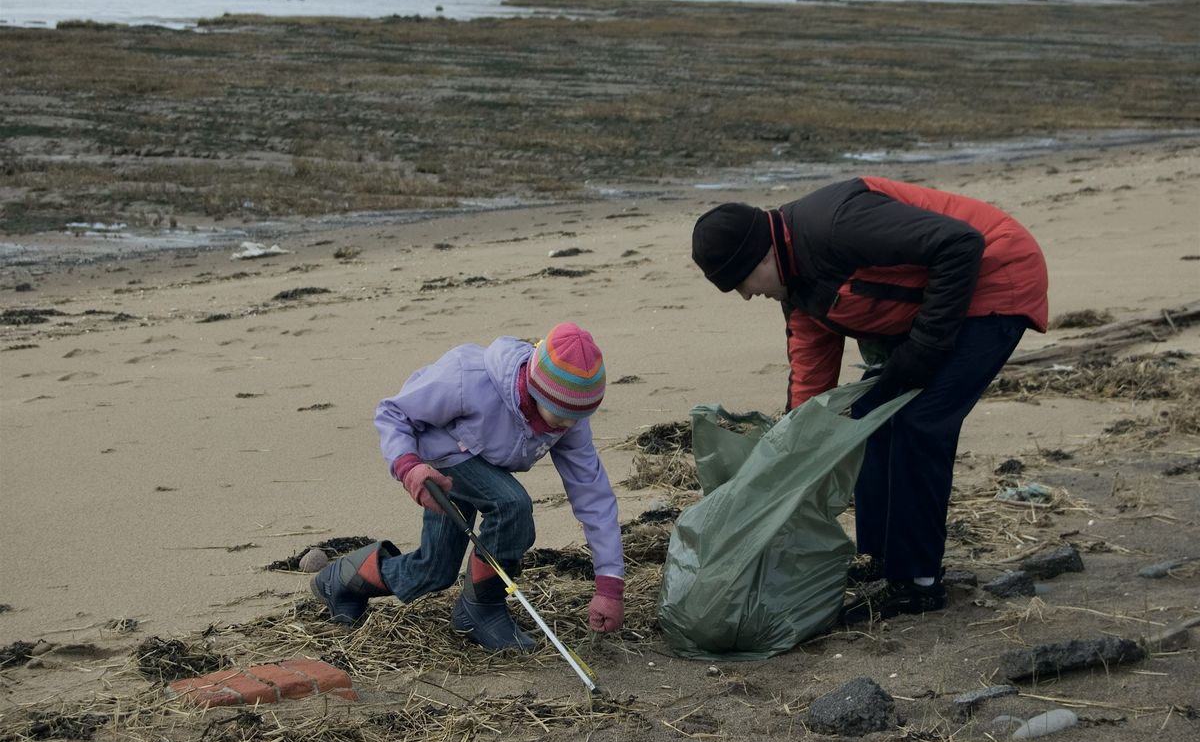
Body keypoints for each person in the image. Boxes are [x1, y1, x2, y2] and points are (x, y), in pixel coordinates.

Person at [691, 176, 1048, 622]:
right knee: (868, 417)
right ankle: (881, 559)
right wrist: (782, 466)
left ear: (761, 254)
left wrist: (923, 349)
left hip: (999, 276)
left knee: (921, 423)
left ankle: (917, 582)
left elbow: (961, 244)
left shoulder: (835, 224)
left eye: (742, 281)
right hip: (938, 305)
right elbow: (809, 388)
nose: (747, 295)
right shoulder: (796, 287)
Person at [310, 322, 625, 650]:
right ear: (534, 387)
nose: (569, 426)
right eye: (560, 417)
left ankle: (342, 581)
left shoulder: (568, 420)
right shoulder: (467, 378)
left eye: (578, 417)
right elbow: (393, 412)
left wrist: (609, 585)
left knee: (433, 571)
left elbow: (593, 494)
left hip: (481, 467)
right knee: (510, 505)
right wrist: (408, 468)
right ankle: (481, 609)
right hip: (440, 463)